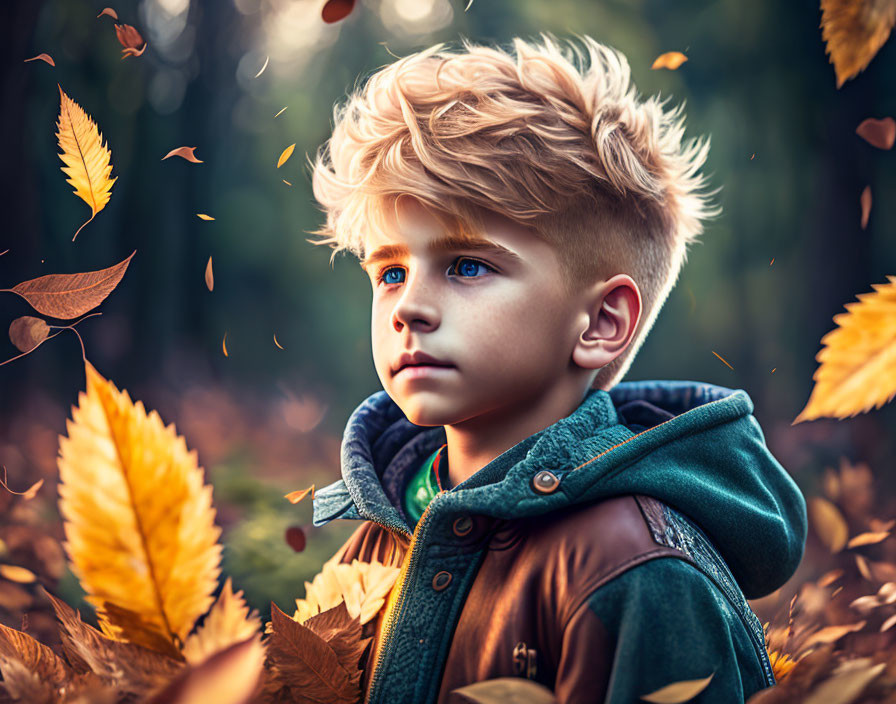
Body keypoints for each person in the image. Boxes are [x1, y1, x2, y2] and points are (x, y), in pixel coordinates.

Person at [305, 33, 808, 704]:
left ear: (601, 323)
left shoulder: (635, 575)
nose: (410, 308)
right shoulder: (367, 548)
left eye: (467, 266)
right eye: (391, 271)